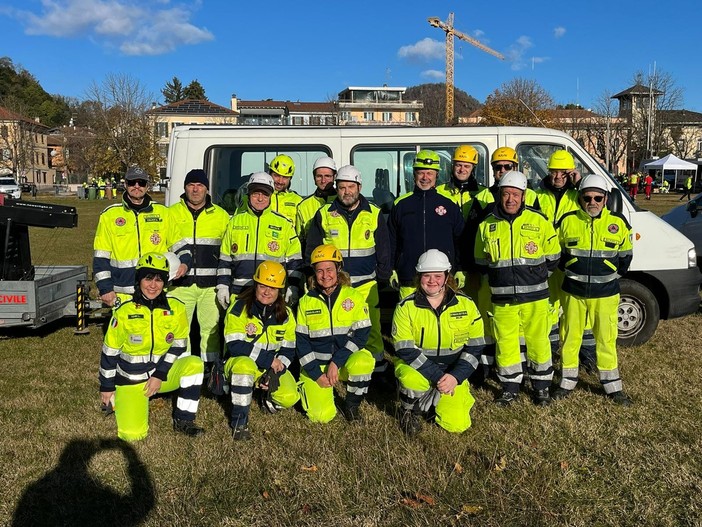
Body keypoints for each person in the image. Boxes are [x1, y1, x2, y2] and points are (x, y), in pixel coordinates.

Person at [474, 171, 560, 406]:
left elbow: (553, 257)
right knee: (506, 342)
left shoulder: (539, 221)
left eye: (515, 194)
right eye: (506, 194)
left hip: (535, 297)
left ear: (523, 196)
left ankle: (541, 387)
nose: (510, 199)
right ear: (499, 195)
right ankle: (510, 387)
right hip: (502, 300)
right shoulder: (487, 225)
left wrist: (536, 277)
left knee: (539, 342)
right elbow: (481, 262)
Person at [98, 253, 205, 441]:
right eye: (148, 278)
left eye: (159, 280)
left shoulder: (176, 308)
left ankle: (184, 420)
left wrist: (159, 374)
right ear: (139, 280)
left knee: (194, 364)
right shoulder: (124, 310)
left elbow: (179, 345)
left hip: (161, 376)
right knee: (132, 436)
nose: (153, 285)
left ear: (165, 283)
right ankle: (125, 399)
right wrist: (107, 387)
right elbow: (109, 352)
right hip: (132, 377)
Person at [305, 165, 392, 375]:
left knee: (371, 328)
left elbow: (384, 250)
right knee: (338, 327)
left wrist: (382, 277)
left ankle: (377, 367)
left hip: (366, 284)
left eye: (350, 187)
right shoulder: (324, 214)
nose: (346, 192)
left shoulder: (374, 213)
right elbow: (312, 250)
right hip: (334, 286)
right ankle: (338, 365)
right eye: (342, 187)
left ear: (359, 187)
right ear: (337, 188)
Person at [554, 174, 633, 405]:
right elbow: (556, 253)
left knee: (606, 339)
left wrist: (608, 277)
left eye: (598, 198)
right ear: (581, 198)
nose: (593, 202)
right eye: (588, 198)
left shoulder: (618, 224)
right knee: (570, 337)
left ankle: (612, 387)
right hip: (573, 292)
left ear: (605, 198)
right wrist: (570, 269)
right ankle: (567, 382)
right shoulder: (567, 221)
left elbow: (626, 257)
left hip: (606, 294)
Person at [391, 249, 484, 435]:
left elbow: (475, 348)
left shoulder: (466, 304)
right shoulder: (405, 307)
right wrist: (437, 377)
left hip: (452, 373)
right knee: (411, 380)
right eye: (427, 276)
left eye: (437, 275)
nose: (432, 281)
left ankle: (439, 401)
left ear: (446, 276)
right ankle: (409, 410)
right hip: (418, 368)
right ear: (419, 277)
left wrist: (455, 377)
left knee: (457, 425)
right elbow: (405, 349)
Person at [296, 244, 374, 423]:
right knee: (321, 417)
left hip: (344, 361)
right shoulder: (306, 302)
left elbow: (362, 335)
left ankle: (352, 405)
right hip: (317, 365)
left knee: (363, 361)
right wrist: (316, 374)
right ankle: (315, 389)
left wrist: (336, 362)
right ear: (314, 273)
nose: (325, 276)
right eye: (320, 271)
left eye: (330, 269)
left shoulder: (353, 296)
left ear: (338, 269)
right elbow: (301, 343)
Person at [223, 261, 300, 440]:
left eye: (273, 288)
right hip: (239, 363)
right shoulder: (238, 308)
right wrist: (269, 361)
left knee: (289, 397)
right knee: (243, 365)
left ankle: (266, 397)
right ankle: (239, 422)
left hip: (269, 367)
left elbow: (288, 351)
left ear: (280, 290)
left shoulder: (286, 315)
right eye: (263, 286)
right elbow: (235, 346)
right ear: (255, 284)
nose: (267, 292)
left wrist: (273, 373)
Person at [168, 169, 230, 368]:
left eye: (200, 185)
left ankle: (210, 372)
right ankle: (183, 371)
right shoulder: (171, 214)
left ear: (206, 189)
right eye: (191, 185)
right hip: (179, 285)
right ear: (185, 188)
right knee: (179, 330)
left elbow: (228, 250)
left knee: (210, 331)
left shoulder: (221, 216)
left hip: (209, 286)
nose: (195, 190)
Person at [536, 150, 593, 363]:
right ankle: (550, 353)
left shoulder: (579, 195)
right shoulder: (537, 195)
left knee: (576, 312)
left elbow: (593, 211)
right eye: (553, 171)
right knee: (549, 309)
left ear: (570, 172)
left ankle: (586, 356)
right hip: (547, 261)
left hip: (572, 260)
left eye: (563, 172)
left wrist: (579, 184)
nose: (558, 176)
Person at [216, 172, 304, 309]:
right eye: (256, 193)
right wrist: (222, 286)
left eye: (265, 194)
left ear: (271, 196)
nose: (260, 198)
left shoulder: (284, 224)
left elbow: (295, 260)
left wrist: (293, 286)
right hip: (240, 293)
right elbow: (225, 259)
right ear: (249, 194)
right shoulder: (235, 222)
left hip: (272, 294)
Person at [388, 149, 465, 300]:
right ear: (414, 174)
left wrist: (461, 269)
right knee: (409, 320)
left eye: (430, 173)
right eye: (421, 173)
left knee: (441, 321)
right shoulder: (401, 205)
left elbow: (460, 240)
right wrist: (391, 268)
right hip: (409, 277)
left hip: (441, 278)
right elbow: (392, 240)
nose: (425, 177)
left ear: (437, 175)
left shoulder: (449, 205)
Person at [93, 167, 170, 308]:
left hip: (155, 290)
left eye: (141, 183)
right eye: (132, 182)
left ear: (147, 186)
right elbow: (101, 256)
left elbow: (176, 246)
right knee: (124, 330)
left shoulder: (164, 213)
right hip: (123, 291)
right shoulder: (109, 215)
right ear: (125, 185)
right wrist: (105, 288)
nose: (136, 186)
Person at [295, 156, 337, 249]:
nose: (323, 180)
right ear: (314, 178)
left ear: (334, 177)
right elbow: (299, 238)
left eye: (327, 176)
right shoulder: (303, 206)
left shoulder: (342, 202)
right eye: (319, 176)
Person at [436, 145, 485, 218]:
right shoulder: (439, 191)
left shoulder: (484, 193)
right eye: (458, 165)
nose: (462, 170)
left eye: (466, 166)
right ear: (453, 166)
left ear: (473, 169)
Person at [268, 154, 303, 229]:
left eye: (285, 177)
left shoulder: (298, 201)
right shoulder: (260, 197)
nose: (280, 181)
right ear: (269, 174)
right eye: (276, 175)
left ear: (290, 178)